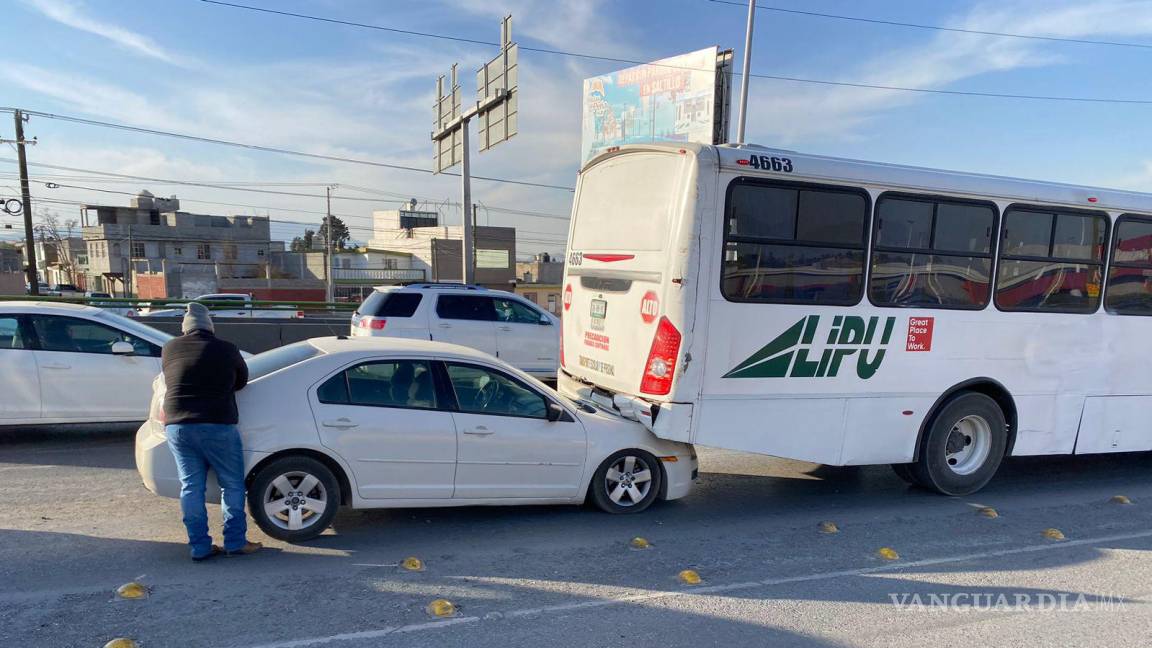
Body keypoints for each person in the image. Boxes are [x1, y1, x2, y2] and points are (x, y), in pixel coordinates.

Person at [162, 302, 261, 561]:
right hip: (217, 424)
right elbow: (242, 380)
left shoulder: (169, 348)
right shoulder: (227, 349)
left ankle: (199, 547)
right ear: (210, 327)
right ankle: (235, 541)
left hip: (178, 426)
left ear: (184, 329)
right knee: (232, 485)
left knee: (191, 487)